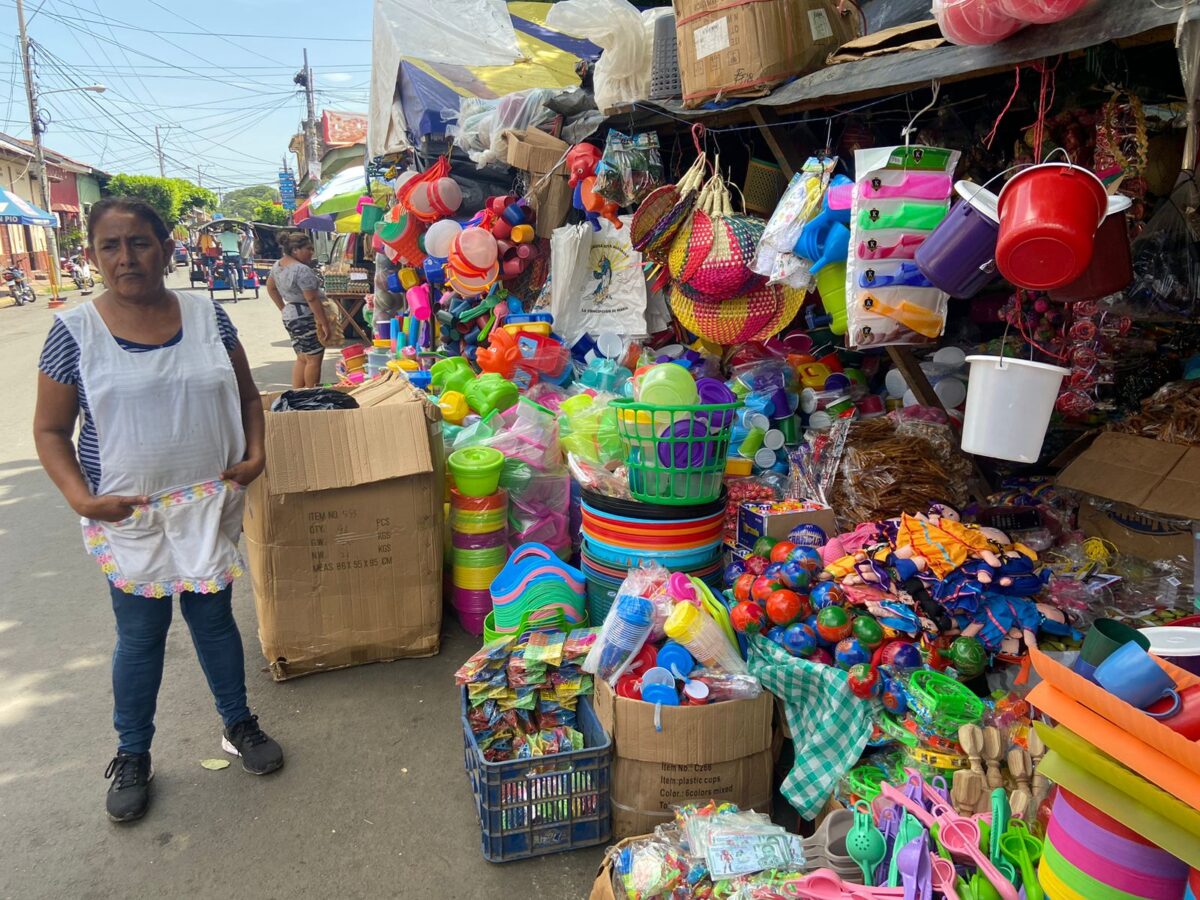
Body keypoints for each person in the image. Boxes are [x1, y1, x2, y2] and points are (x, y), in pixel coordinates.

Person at [32, 197, 283, 824]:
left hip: (206, 504)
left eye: (139, 243)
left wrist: (256, 454)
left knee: (215, 621)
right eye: (110, 246)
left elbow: (250, 399)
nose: (126, 258)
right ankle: (133, 752)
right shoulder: (74, 333)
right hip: (129, 517)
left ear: (168, 249)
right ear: (91, 256)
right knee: (140, 638)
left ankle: (238, 724)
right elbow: (50, 431)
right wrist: (81, 499)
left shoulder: (210, 320)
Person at [266, 231, 331, 388]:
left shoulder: (278, 265)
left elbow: (270, 287)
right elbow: (311, 299)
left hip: (291, 315)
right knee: (314, 358)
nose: (311, 252)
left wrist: (283, 308)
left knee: (302, 357)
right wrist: (324, 323)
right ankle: (310, 396)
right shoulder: (301, 269)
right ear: (295, 250)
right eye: (308, 248)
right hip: (305, 316)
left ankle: (298, 395)